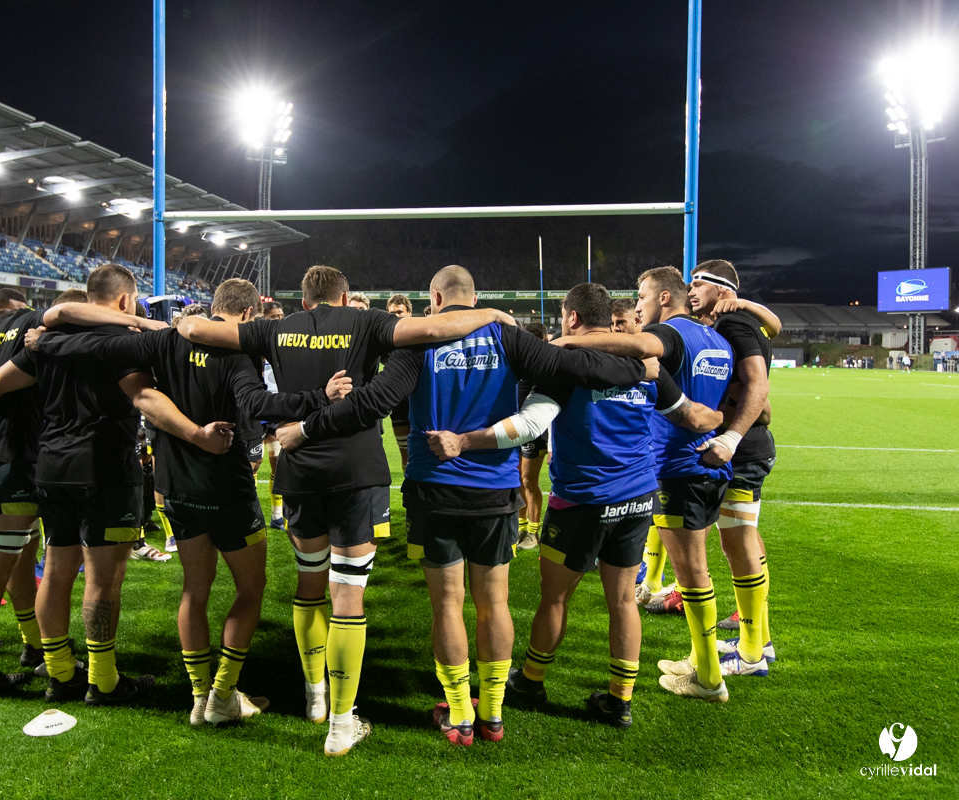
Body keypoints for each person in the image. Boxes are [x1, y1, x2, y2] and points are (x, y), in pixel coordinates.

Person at [276, 269, 654, 745]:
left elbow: (373, 402)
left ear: (434, 299)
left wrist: (307, 428)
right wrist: (642, 368)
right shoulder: (506, 334)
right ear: (477, 298)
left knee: (447, 605)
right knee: (493, 604)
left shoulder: (416, 345)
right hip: (495, 492)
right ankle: (493, 711)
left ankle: (458, 712)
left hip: (434, 490)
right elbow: (576, 368)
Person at [176, 264, 519, 756]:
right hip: (355, 472)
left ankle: (315, 699)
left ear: (306, 299)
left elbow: (193, 328)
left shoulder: (274, 327)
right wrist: (490, 311)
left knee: (309, 582)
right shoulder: (367, 322)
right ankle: (340, 724)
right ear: (345, 295)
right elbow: (437, 327)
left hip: (297, 472)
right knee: (348, 594)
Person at [32, 278, 353, 725]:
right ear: (247, 316)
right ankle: (223, 693)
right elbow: (259, 401)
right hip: (226, 487)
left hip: (175, 487)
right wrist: (321, 397)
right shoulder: (236, 352)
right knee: (250, 588)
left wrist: (46, 344)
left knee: (194, 590)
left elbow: (104, 357)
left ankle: (199, 697)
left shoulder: (163, 341)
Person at [421, 283, 721, 729]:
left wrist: (466, 440)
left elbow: (529, 425)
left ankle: (533, 679)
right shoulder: (645, 366)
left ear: (573, 318)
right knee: (622, 599)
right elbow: (691, 416)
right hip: (638, 499)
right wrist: (728, 428)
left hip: (583, 499)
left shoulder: (567, 366)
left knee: (555, 599)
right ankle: (620, 701)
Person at [0, 283, 164, 697]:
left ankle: (58, 671)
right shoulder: (121, 339)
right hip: (98, 467)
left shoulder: (42, 344)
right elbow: (143, 395)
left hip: (49, 468)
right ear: (124, 299)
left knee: (50, 571)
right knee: (96, 579)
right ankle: (101, 680)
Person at [553, 266, 735, 702]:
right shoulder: (720, 341)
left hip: (677, 465)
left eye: (641, 298)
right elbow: (712, 406)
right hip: (710, 463)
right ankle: (699, 659)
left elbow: (638, 346)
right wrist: (724, 428)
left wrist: (566, 343)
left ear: (664, 299)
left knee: (692, 574)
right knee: (693, 570)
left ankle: (709, 676)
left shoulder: (670, 336)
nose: (637, 307)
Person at [690, 262, 784, 671]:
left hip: (743, 453)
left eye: (699, 284)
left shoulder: (734, 324)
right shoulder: (741, 319)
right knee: (743, 538)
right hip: (749, 449)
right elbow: (775, 327)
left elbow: (757, 386)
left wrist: (731, 434)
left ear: (722, 290)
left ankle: (751, 654)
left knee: (738, 540)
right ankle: (757, 638)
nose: (691, 290)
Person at [516, 322, 551, 549]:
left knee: (529, 480)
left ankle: (533, 532)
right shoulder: (517, 361)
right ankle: (519, 527)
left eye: (538, 337)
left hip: (534, 431)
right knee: (516, 479)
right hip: (512, 428)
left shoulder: (546, 365)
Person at [258, 301, 287, 529]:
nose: (278, 319)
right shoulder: (256, 345)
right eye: (273, 316)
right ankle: (250, 512)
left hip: (277, 413)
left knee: (277, 463)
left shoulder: (285, 345)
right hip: (257, 414)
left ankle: (277, 515)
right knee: (253, 465)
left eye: (280, 315)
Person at [385, 294, 414, 470]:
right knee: (405, 456)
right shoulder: (385, 340)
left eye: (400, 312)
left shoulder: (421, 336)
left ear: (409, 313)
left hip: (420, 402)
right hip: (398, 404)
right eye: (392, 313)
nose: (395, 316)